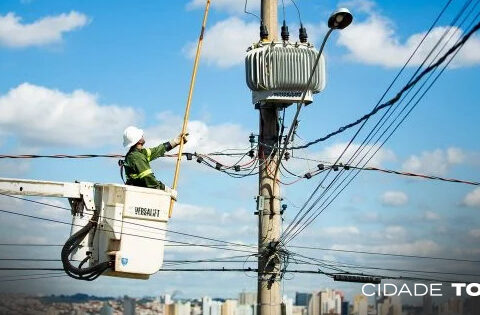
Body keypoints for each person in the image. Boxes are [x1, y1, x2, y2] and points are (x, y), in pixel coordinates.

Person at [122, 126, 188, 190]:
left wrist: (175, 142)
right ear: (139, 140)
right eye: (141, 136)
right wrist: (165, 189)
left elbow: (157, 151)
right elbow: (149, 178)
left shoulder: (139, 153)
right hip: (139, 193)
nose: (143, 136)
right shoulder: (136, 157)